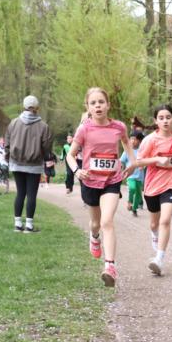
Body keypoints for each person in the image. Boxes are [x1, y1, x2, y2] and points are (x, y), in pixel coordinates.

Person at [67, 88, 134, 286]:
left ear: (108, 105)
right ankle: (94, 237)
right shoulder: (84, 129)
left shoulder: (119, 127)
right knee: (96, 224)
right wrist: (77, 171)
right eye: (93, 103)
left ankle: (110, 267)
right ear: (87, 107)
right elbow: (71, 155)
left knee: (107, 222)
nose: (98, 106)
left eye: (101, 102)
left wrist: (133, 164)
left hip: (111, 181)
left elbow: (127, 145)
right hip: (89, 181)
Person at [133, 104, 172, 276]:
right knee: (154, 223)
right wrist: (157, 158)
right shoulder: (150, 140)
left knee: (165, 220)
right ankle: (154, 235)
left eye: (168, 117)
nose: (165, 121)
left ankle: (159, 259)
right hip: (152, 185)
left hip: (171, 183)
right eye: (161, 118)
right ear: (156, 121)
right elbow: (139, 162)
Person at [5, 95, 52, 233]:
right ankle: (29, 226)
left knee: (20, 193)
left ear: (24, 107)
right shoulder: (43, 126)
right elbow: (47, 146)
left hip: (16, 162)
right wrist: (43, 156)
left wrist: (9, 157)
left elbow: (7, 144)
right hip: (35, 164)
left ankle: (18, 224)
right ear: (37, 108)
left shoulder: (13, 123)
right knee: (31, 194)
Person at [120, 132, 145, 216]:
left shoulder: (142, 151)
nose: (132, 141)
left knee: (138, 195)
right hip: (130, 175)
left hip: (140, 177)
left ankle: (134, 209)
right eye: (131, 139)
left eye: (135, 139)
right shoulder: (127, 150)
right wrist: (121, 170)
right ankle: (130, 201)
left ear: (139, 141)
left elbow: (146, 161)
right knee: (132, 188)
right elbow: (122, 161)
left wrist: (143, 166)